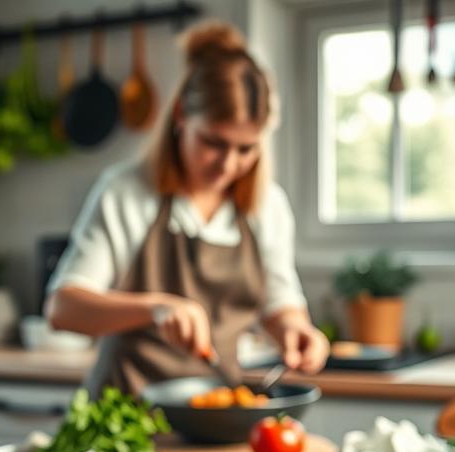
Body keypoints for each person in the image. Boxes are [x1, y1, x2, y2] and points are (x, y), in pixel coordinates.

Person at [45, 22, 329, 395]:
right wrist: (155, 308)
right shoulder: (127, 192)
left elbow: (280, 306)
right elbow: (63, 310)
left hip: (215, 419)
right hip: (129, 429)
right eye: (214, 142)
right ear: (180, 116)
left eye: (246, 149)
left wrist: (298, 332)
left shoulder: (268, 206)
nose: (228, 165)